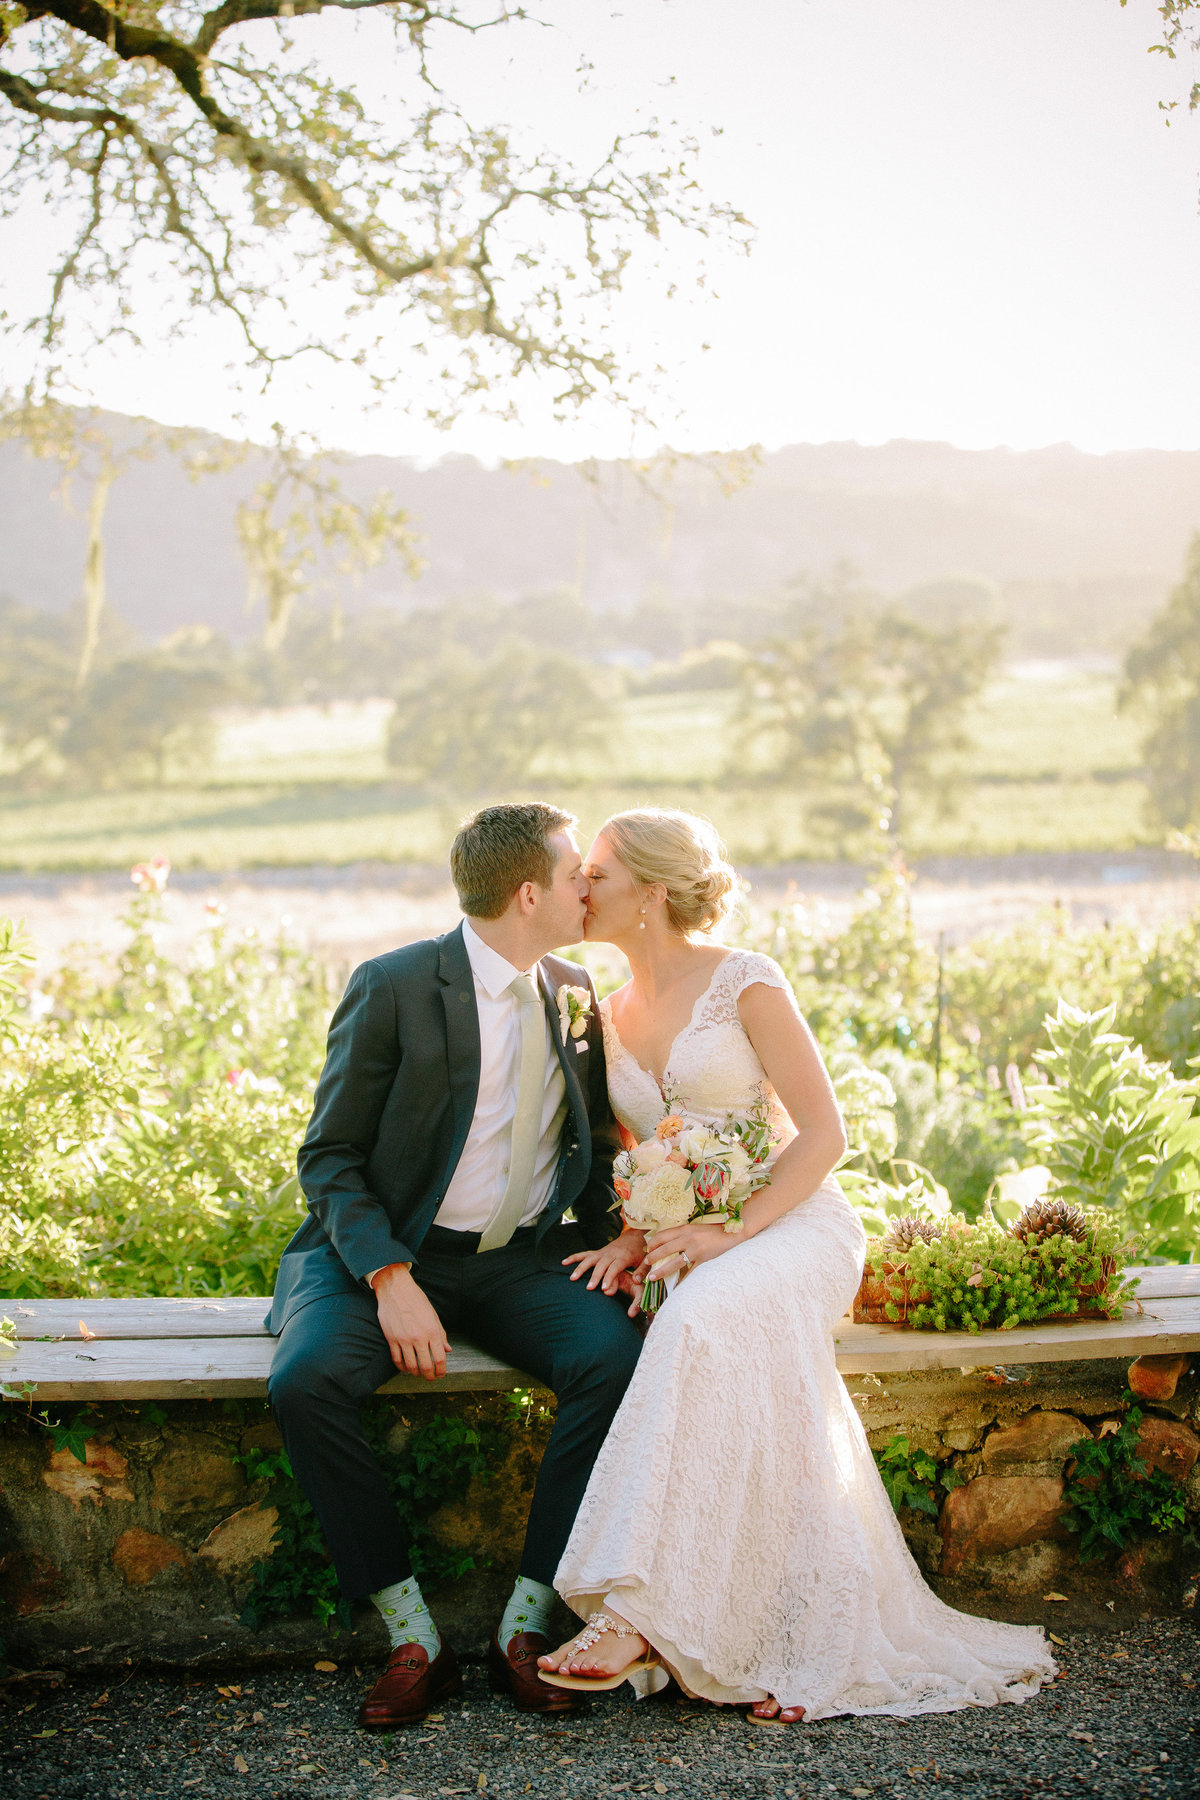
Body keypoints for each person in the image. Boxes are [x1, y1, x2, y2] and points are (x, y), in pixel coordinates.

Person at [536, 808, 1057, 1721]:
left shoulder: (745, 982)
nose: (583, 889)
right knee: (733, 1353)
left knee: (698, 1320)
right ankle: (781, 1636)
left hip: (795, 1222)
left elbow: (825, 1135)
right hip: (695, 1238)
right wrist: (632, 1235)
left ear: (653, 893)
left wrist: (726, 1233)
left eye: (600, 875)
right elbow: (636, 1152)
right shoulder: (603, 1014)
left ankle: (632, 1617)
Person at [267, 802, 643, 1729]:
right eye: (571, 877)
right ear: (527, 893)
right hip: (388, 1260)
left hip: (517, 1261)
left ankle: (525, 1626)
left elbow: (593, 1137)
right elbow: (329, 1157)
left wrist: (628, 1238)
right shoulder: (393, 986)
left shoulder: (574, 991)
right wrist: (391, 1281)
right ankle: (411, 1638)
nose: (584, 889)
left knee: (616, 1358)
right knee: (306, 1381)